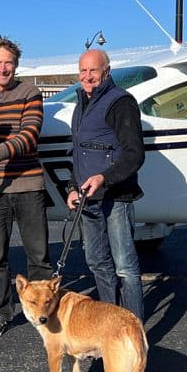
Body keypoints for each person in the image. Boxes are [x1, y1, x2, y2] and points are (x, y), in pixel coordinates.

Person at [0, 36, 52, 338]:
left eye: (9, 63)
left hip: (28, 184)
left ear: (16, 65)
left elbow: (30, 135)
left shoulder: (30, 92)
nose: (3, 68)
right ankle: (2, 313)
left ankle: (44, 313)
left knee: (39, 257)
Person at [66, 49, 145, 321]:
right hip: (89, 198)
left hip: (116, 196)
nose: (88, 77)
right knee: (97, 263)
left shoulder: (121, 102)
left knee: (124, 266)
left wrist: (104, 178)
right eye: (83, 71)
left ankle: (133, 328)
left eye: (94, 71)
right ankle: (110, 322)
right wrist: (72, 188)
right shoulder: (82, 103)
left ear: (106, 72)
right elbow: (78, 153)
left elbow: (134, 154)